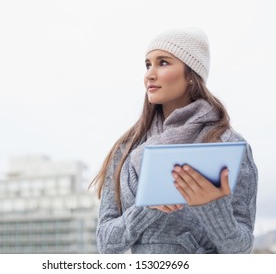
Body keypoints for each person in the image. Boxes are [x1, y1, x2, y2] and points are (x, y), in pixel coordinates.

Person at [89, 27, 258, 254]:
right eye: (148, 64)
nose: (150, 74)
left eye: (163, 63)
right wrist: (146, 208)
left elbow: (242, 248)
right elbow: (105, 243)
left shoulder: (228, 145)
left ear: (191, 74)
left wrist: (212, 208)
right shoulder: (126, 149)